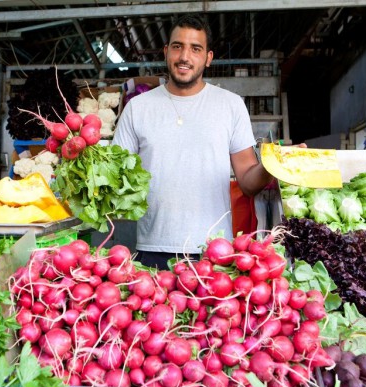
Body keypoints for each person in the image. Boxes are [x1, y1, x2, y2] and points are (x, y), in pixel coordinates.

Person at [112, 13, 277, 270]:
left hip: (212, 252)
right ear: (167, 52)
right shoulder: (138, 108)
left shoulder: (230, 105)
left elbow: (247, 181)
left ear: (208, 58)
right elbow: (115, 178)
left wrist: (272, 165)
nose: (185, 57)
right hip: (153, 249)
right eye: (177, 47)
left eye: (195, 48)